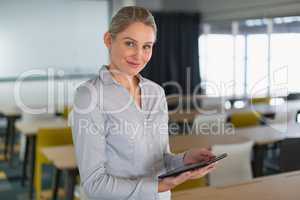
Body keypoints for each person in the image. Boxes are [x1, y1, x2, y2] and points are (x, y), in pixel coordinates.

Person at [70, 6, 216, 200]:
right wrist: (158, 186)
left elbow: (160, 160)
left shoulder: (156, 92)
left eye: (147, 46)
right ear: (108, 40)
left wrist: (185, 160)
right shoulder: (89, 96)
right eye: (130, 43)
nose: (139, 55)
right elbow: (94, 184)